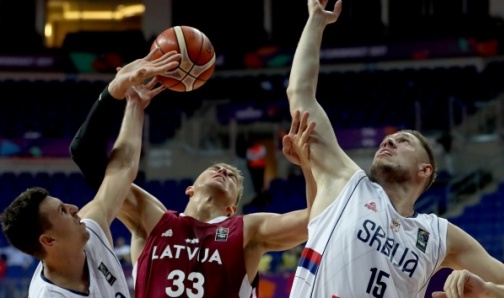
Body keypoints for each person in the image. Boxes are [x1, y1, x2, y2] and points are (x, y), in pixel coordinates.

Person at [284, 1, 504, 297]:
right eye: (388, 138)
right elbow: (300, 93)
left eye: (404, 141)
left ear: (424, 170)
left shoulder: (439, 237)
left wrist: (488, 290)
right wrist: (315, 21)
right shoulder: (345, 183)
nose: (388, 140)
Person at [70, 71, 317, 298]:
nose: (222, 171)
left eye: (230, 176)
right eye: (215, 169)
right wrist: (128, 101)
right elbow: (86, 157)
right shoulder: (153, 219)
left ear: (232, 208)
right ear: (190, 189)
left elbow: (314, 221)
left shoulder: (247, 230)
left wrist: (307, 166)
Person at [0, 48, 181, 297]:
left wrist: (132, 102)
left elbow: (121, 172)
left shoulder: (90, 231)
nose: (75, 207)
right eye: (62, 211)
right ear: (48, 240)